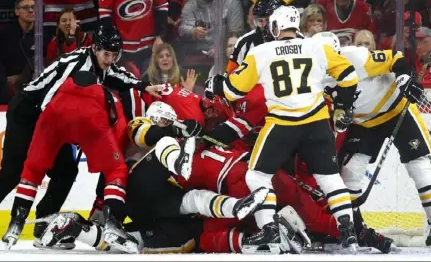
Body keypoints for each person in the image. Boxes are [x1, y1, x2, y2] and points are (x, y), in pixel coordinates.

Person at [0, 25, 162, 251]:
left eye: (114, 55)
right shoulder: (76, 63)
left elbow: (118, 76)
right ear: (94, 48)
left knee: (66, 171)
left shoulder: (101, 64)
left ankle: (43, 227)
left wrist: (145, 86)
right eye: (107, 54)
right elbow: (49, 101)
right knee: (13, 172)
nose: (110, 59)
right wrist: (63, 133)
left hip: (53, 119)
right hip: (29, 113)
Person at [206, 5, 359, 253]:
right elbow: (349, 76)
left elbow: (235, 91)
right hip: (317, 123)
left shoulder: (262, 52)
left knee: (256, 177)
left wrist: (219, 84)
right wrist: (343, 106)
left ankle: (269, 230)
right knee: (330, 179)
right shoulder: (317, 47)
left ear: (276, 26)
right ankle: (348, 231)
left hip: (282, 124)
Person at [34, 101, 270, 253]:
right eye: (163, 120)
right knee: (164, 144)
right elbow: (146, 135)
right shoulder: (140, 124)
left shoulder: (173, 141)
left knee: (142, 238)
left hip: (156, 202)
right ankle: (179, 164)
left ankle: (74, 229)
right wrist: (175, 130)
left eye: (170, 121)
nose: (166, 124)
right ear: (153, 116)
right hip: (137, 186)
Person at [313, 31, 431, 248]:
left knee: (417, 163)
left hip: (395, 108)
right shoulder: (312, 76)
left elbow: (395, 59)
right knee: (351, 172)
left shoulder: (356, 57)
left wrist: (404, 80)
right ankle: (354, 226)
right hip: (363, 122)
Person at [1, 71, 140, 252]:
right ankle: (112, 224)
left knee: (32, 170)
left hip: (53, 116)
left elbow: (43, 104)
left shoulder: (61, 87)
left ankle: (16, 223)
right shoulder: (114, 101)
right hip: (91, 118)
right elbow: (116, 144)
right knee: (117, 169)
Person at [226, 0, 282, 74]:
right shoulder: (244, 42)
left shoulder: (292, 38)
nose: (264, 24)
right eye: (260, 21)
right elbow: (230, 73)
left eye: (268, 20)